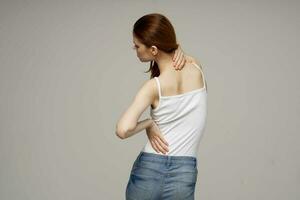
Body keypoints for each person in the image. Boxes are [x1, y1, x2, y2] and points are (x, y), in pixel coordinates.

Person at [115, 13, 208, 200]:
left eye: (137, 45)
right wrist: (178, 48)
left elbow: (123, 130)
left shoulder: (153, 87)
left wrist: (149, 123)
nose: (135, 49)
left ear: (154, 49)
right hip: (184, 172)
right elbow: (182, 58)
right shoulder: (196, 69)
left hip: (149, 168)